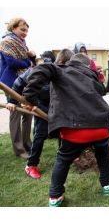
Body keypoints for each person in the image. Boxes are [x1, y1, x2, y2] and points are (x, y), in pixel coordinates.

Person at [22, 53, 109, 207]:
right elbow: (102, 90)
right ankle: (107, 185)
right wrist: (98, 76)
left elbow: (42, 69)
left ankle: (55, 196)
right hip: (101, 128)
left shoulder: (60, 69)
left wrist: (29, 97)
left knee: (63, 159)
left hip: (77, 130)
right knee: (103, 155)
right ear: (87, 65)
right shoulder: (90, 76)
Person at [6, 51, 57, 179]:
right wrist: (12, 102)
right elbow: (17, 85)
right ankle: (31, 165)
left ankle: (65, 156)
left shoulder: (57, 72)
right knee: (40, 135)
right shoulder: (32, 72)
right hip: (38, 105)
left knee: (62, 131)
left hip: (55, 106)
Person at [0, 17, 36, 159]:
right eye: (22, 29)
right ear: (13, 27)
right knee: (15, 112)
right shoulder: (6, 42)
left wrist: (32, 58)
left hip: (24, 82)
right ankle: (19, 149)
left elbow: (30, 64)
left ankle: (28, 144)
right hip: (10, 82)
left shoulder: (22, 43)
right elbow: (12, 62)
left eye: (27, 30)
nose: (25, 32)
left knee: (27, 112)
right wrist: (28, 60)